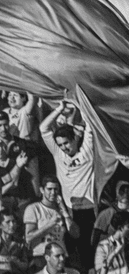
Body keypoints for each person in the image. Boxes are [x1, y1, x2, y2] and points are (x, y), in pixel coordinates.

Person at [40, 100, 97, 257]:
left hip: (89, 207)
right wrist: (60, 108)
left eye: (66, 143)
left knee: (90, 247)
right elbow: (43, 128)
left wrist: (82, 105)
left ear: (75, 139)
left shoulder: (87, 150)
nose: (64, 147)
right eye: (60, 144)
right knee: (71, 250)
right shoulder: (59, 155)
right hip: (69, 209)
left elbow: (91, 124)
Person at [24, 176, 78, 270]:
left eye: (55, 189)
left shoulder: (60, 211)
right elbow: (28, 237)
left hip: (61, 256)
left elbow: (76, 234)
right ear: (42, 190)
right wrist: (50, 224)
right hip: (41, 257)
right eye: (49, 189)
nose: (53, 193)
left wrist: (65, 212)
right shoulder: (34, 209)